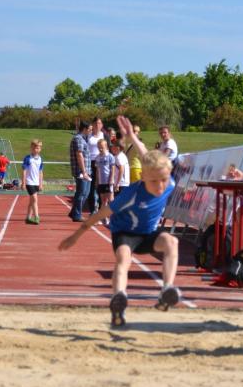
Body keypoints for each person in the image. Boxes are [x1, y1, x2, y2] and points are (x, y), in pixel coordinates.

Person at [59, 115, 181, 327]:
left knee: (172, 242)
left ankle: (166, 290)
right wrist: (75, 236)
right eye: (154, 181)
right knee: (124, 257)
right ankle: (119, 299)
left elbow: (147, 156)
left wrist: (132, 135)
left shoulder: (167, 181)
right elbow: (98, 215)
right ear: (143, 177)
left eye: (163, 180)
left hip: (147, 234)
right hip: (125, 233)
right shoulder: (131, 194)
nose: (160, 186)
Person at [68, 121, 92, 222]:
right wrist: (84, 171)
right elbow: (79, 154)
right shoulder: (78, 139)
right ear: (85, 129)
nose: (91, 131)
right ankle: (77, 215)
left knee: (85, 193)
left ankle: (74, 212)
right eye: (90, 129)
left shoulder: (83, 139)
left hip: (86, 170)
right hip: (81, 171)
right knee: (82, 193)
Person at [22, 139, 44, 224]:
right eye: (34, 148)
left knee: (32, 201)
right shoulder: (28, 158)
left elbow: (40, 172)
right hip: (29, 182)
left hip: (36, 182)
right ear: (31, 148)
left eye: (38, 148)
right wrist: (23, 182)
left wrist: (41, 184)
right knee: (35, 199)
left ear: (40, 149)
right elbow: (24, 171)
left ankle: (28, 218)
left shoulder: (40, 159)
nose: (36, 149)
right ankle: (36, 217)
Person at [87, 116, 105, 214]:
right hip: (91, 162)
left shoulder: (104, 135)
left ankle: (101, 207)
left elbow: (108, 148)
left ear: (102, 125)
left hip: (102, 163)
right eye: (96, 123)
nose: (97, 125)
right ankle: (92, 209)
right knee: (91, 186)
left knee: (101, 186)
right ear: (93, 124)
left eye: (99, 123)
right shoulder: (88, 136)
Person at [94, 138, 115, 221]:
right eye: (99, 147)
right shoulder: (97, 157)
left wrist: (111, 179)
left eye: (102, 147)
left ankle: (114, 217)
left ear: (106, 146)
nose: (100, 149)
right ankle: (104, 217)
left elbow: (112, 169)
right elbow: (97, 170)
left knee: (111, 200)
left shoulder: (110, 156)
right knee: (103, 201)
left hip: (108, 181)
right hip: (101, 182)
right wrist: (97, 181)